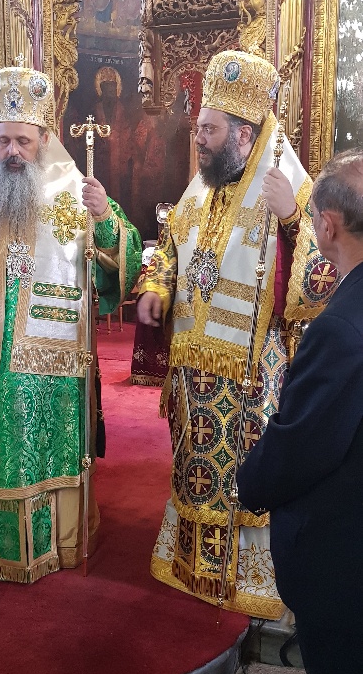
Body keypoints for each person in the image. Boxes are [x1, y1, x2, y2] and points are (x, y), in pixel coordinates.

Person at [137, 49, 339, 619]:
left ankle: (245, 579)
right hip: (192, 369)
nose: (198, 138)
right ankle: (190, 562)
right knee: (194, 466)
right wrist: (156, 286)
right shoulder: (201, 188)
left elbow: (323, 281)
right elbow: (169, 248)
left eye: (210, 129)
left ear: (244, 135)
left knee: (245, 472)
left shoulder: (291, 190)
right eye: (199, 127)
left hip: (252, 371)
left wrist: (292, 219)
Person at [0, 62, 142, 583]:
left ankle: (60, 544)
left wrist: (104, 218)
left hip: (55, 361)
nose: (12, 152)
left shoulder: (77, 193)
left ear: (44, 138)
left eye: (23, 141)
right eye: (3, 141)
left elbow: (123, 260)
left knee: (51, 453)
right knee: (1, 454)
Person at [237, 150, 363, 674]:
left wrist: (249, 480)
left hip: (346, 560)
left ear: (328, 226)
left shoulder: (341, 328)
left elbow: (300, 446)